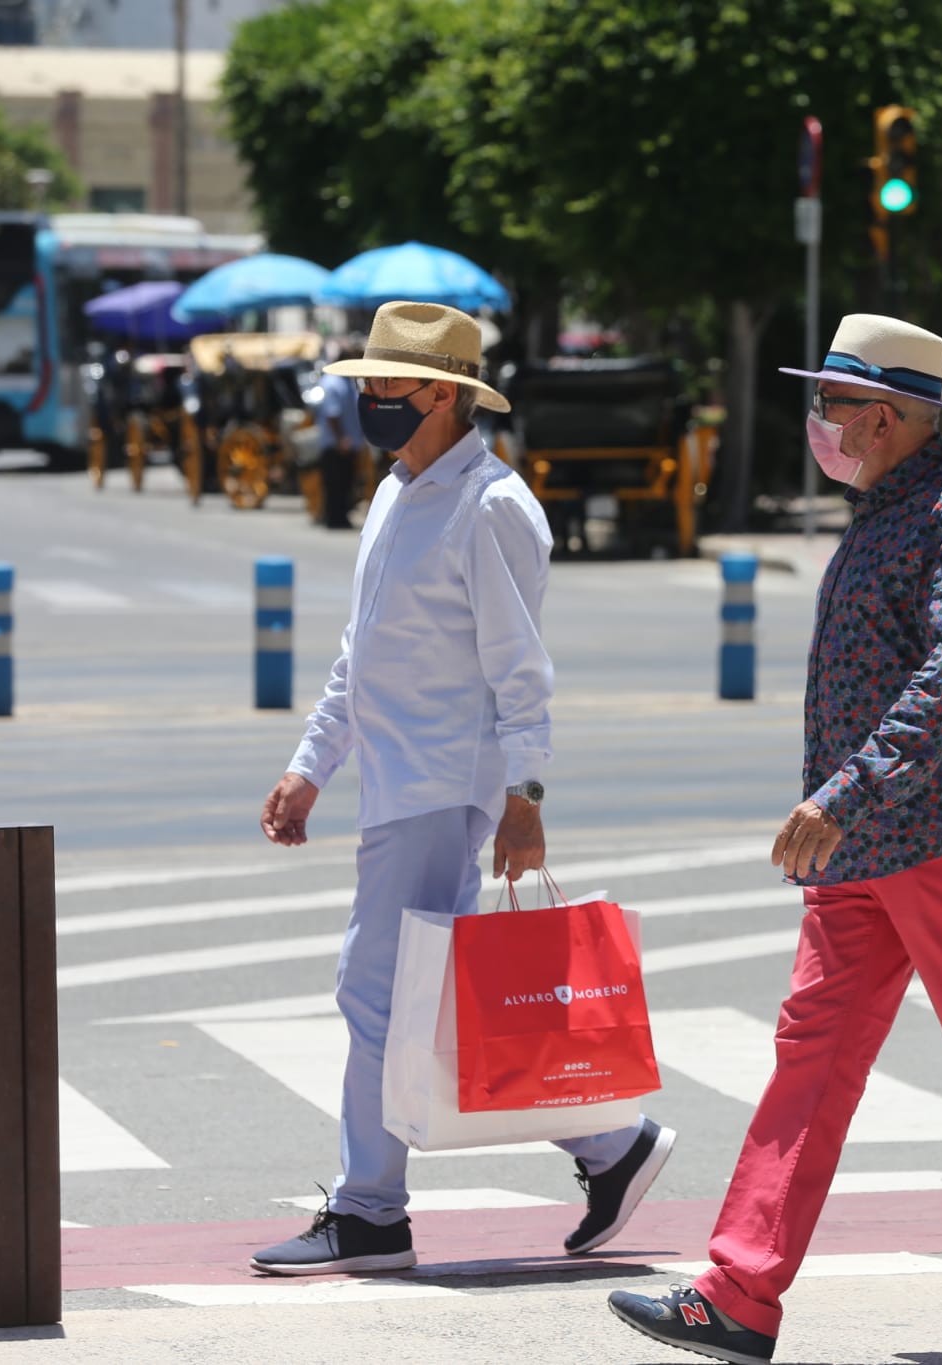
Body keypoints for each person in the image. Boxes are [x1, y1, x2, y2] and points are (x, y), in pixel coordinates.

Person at [608, 315, 942, 1365]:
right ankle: (739, 1292)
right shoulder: (887, 507)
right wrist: (847, 810)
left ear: (889, 416)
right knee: (809, 1060)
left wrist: (843, 794)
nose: (819, 422)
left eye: (832, 404)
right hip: (870, 846)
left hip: (941, 834)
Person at [250, 301, 674, 1275]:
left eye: (383, 385)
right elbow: (364, 654)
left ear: (440, 392)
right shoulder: (400, 493)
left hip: (443, 786)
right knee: (428, 1000)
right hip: (397, 784)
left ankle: (370, 1213)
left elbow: (520, 670)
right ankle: (610, 1146)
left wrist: (524, 795)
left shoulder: (490, 506)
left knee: (375, 995)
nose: (367, 400)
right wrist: (311, 765)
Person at [312, 336, 366, 529]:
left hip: (348, 442)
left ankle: (340, 516)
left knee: (345, 482)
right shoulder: (333, 382)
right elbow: (332, 414)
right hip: (336, 444)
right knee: (336, 483)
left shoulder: (346, 382)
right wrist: (341, 439)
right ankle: (334, 518)